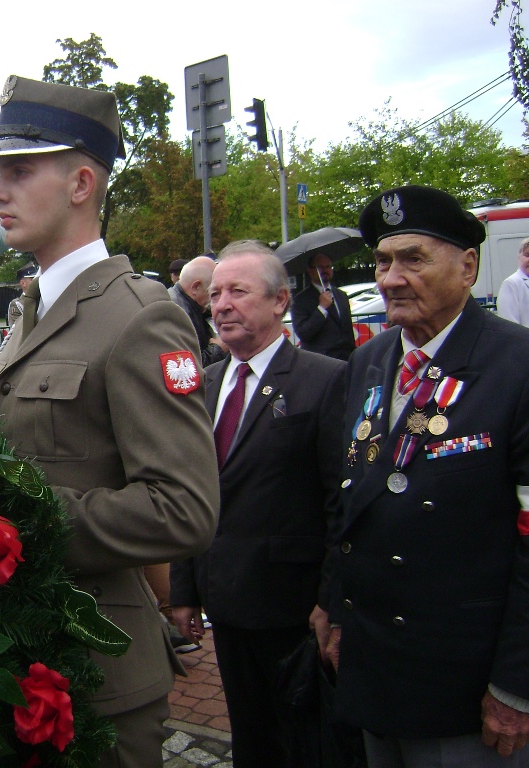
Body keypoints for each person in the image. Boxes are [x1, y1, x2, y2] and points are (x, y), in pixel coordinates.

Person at [0, 74, 218, 767]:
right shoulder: (31, 313)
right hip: (22, 660)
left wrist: (25, 521)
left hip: (97, 681)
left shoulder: (141, 317)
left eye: (18, 172)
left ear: (82, 183)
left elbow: (185, 510)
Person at [326, 185, 529, 767]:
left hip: (470, 686)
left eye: (413, 259)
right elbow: (351, 497)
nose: (391, 278)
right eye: (382, 261)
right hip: (377, 671)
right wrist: (335, 606)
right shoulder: (367, 363)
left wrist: (519, 686)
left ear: (468, 265)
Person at [170, 240, 346, 767]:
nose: (221, 304)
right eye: (216, 293)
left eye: (239, 292)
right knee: (252, 738)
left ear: (280, 302)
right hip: (226, 601)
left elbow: (342, 500)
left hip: (294, 609)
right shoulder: (207, 384)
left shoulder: (325, 378)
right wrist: (183, 590)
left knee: (305, 743)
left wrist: (332, 600)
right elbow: (189, 491)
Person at [290, 252, 357, 360]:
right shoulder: (300, 300)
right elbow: (304, 333)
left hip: (345, 359)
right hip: (320, 361)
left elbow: (347, 329)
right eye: (320, 267)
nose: (325, 271)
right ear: (310, 271)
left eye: (328, 267)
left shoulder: (341, 295)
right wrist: (321, 308)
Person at [168, 255, 227, 367]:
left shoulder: (189, 305)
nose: (219, 300)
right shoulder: (177, 313)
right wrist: (217, 349)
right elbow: (184, 369)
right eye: (214, 292)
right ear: (196, 287)